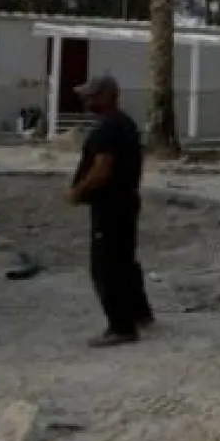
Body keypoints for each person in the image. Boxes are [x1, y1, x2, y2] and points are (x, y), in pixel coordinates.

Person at [65, 75, 153, 348]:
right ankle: (139, 313)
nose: (85, 100)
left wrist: (78, 191)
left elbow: (102, 169)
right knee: (125, 260)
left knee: (106, 267)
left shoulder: (108, 128)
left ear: (107, 96)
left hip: (110, 205)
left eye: (91, 95)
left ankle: (120, 327)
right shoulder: (125, 123)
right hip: (126, 201)